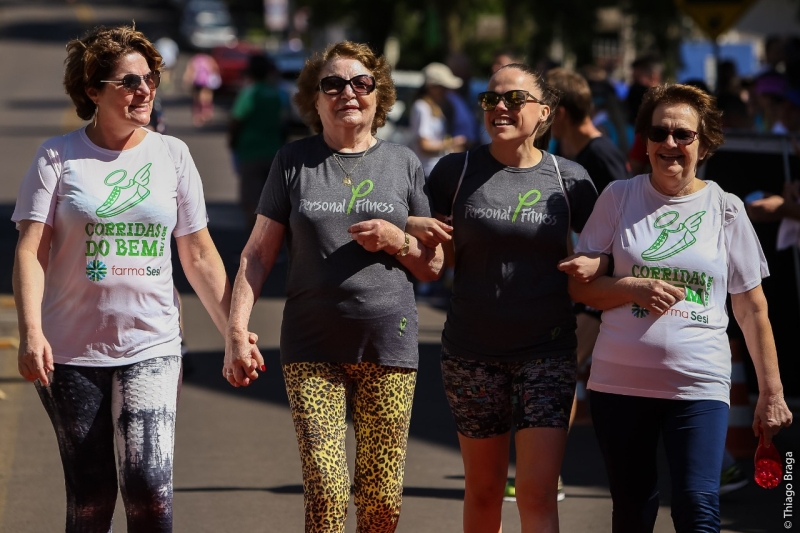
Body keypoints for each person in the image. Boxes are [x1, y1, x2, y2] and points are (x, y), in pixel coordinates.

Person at [12, 25, 259, 533]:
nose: (143, 90)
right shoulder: (57, 157)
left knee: (149, 489)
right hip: (70, 353)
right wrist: (31, 332)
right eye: (127, 81)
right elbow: (31, 252)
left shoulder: (172, 155)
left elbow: (198, 254)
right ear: (92, 90)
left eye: (149, 79)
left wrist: (234, 331)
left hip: (153, 344)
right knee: (91, 499)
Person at [224, 41, 444, 532]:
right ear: (316, 99)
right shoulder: (293, 162)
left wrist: (397, 240)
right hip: (311, 345)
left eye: (361, 83)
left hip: (389, 343)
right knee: (325, 485)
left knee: (381, 498)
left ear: (377, 95)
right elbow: (258, 254)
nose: (348, 92)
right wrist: (237, 330)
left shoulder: (403, 163)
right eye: (333, 84)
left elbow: (433, 265)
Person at [563, 83, 793, 532]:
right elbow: (581, 291)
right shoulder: (618, 198)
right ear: (645, 142)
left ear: (704, 144)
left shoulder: (726, 209)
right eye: (659, 133)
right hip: (620, 385)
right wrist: (631, 287)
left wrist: (772, 392)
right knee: (632, 510)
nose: (670, 143)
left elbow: (752, 310)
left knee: (698, 508)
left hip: (699, 385)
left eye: (683, 135)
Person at [418, 63, 599, 533]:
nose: (500, 106)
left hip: (547, 352)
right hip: (471, 353)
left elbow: (610, 250)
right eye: (491, 99)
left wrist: (597, 268)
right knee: (483, 490)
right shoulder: (454, 172)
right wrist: (410, 232)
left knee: (537, 493)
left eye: (514, 99)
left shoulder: (571, 179)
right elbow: (430, 248)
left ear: (544, 112)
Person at [228, 54, 286, 229]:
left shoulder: (249, 93)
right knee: (273, 201)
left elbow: (236, 120)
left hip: (251, 152)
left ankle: (254, 244)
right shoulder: (278, 93)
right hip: (275, 152)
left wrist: (233, 142)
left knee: (251, 200)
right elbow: (284, 123)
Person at [410, 62, 467, 176]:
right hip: (426, 173)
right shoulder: (421, 107)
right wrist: (451, 143)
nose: (446, 92)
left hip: (436, 170)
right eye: (443, 88)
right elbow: (424, 146)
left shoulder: (437, 107)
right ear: (432, 87)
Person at [183, 52, 220, 126]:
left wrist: (187, 79)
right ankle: (207, 113)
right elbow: (215, 68)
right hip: (206, 81)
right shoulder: (209, 59)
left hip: (197, 81)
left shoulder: (195, 59)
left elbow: (190, 69)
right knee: (207, 98)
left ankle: (198, 116)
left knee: (197, 99)